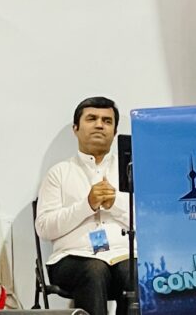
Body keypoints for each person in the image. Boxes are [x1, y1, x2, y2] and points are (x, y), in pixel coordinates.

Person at [36, 96, 133, 315]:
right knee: (94, 270)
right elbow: (44, 227)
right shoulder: (59, 173)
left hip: (123, 255)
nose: (100, 125)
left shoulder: (130, 170)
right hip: (73, 258)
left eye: (107, 121)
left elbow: (149, 223)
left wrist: (115, 204)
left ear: (115, 132)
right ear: (76, 128)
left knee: (133, 272)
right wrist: (87, 205)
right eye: (92, 118)